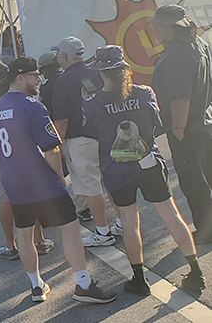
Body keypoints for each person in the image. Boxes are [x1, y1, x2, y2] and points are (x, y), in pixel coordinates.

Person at [0, 57, 115, 304]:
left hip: (14, 182)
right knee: (70, 228)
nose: (39, 79)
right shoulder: (33, 106)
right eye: (34, 75)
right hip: (41, 182)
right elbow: (51, 148)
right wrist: (60, 180)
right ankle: (83, 284)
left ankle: (36, 286)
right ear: (20, 77)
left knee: (24, 234)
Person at [83, 45, 205, 295]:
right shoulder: (145, 93)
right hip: (150, 163)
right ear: (125, 69)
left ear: (101, 72)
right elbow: (156, 124)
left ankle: (139, 279)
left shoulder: (92, 104)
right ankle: (196, 271)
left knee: (129, 222)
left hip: (117, 170)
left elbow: (95, 135)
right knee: (172, 215)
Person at [0, 43, 52, 260]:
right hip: (23, 153)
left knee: (4, 199)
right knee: (29, 194)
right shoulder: (22, 94)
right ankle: (40, 240)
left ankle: (11, 245)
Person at [150, 4, 212, 244]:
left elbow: (181, 97)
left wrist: (178, 130)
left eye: (159, 25)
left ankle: (207, 230)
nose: (155, 28)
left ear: (171, 28)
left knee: (194, 181)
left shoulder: (178, 54)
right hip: (204, 122)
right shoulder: (199, 44)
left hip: (189, 127)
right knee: (205, 176)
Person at [53, 36, 119, 246]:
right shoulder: (96, 71)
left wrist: (56, 144)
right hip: (105, 134)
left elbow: (62, 120)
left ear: (64, 55)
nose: (56, 57)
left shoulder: (63, 81)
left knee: (91, 188)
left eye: (58, 53)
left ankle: (103, 231)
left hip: (80, 139)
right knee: (109, 181)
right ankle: (120, 221)